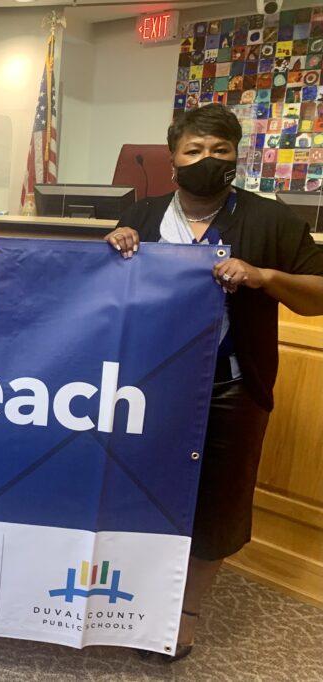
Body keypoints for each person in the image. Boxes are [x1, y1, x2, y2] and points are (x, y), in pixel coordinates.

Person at [105, 103, 323, 661]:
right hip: (147, 391)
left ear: (235, 158)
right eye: (194, 151)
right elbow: (106, 297)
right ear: (173, 159)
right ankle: (132, 595)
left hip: (230, 387)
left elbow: (316, 294)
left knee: (218, 503)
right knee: (140, 492)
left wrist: (264, 276)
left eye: (219, 151)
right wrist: (116, 248)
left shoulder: (268, 220)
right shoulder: (146, 213)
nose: (207, 160)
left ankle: (186, 612)